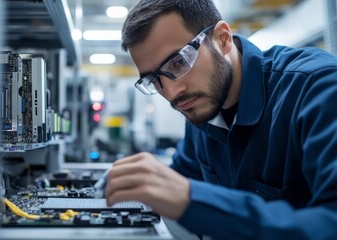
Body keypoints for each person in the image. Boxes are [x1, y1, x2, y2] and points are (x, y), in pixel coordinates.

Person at [103, 0, 337, 239]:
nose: (172, 93)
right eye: (154, 80)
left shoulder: (319, 89)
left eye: (179, 62)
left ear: (222, 39)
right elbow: (183, 176)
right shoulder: (201, 107)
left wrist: (193, 199)